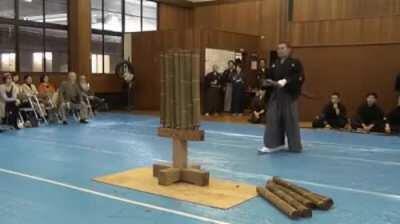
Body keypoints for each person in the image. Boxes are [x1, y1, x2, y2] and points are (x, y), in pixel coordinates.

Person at [259, 42, 305, 153]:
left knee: (290, 120)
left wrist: (286, 81)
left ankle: (295, 146)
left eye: (282, 48)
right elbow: (268, 77)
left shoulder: (295, 63)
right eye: (278, 48)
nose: (280, 50)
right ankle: (274, 144)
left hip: (289, 95)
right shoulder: (275, 63)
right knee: (272, 119)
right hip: (276, 95)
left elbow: (300, 77)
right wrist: (266, 83)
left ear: (289, 50)